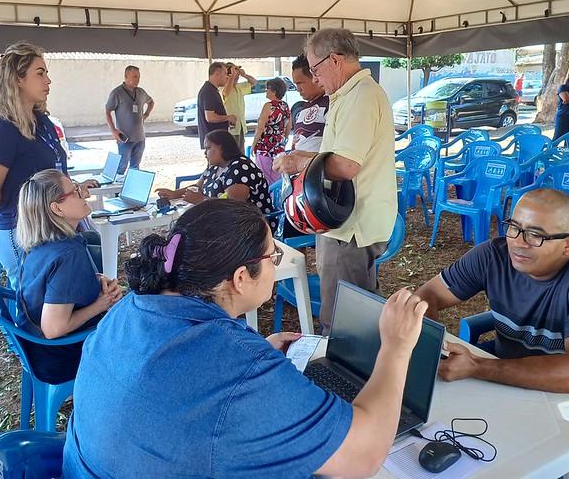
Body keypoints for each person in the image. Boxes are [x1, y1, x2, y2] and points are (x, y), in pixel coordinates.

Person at [63, 198, 427, 478]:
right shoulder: (238, 365)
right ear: (240, 278)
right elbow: (364, 455)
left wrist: (259, 369)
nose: (277, 259)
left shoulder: (129, 310)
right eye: (272, 255)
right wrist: (395, 347)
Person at [414, 188, 569, 426]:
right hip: (509, 372)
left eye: (535, 235)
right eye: (514, 227)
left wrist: (477, 366)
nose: (518, 243)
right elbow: (426, 296)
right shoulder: (493, 256)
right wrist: (431, 346)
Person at [274, 28, 398, 333]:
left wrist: (298, 161)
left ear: (335, 60)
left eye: (316, 69)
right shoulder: (351, 94)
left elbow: (345, 165)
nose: (315, 79)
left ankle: (348, 377)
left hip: (351, 227)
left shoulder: (361, 97)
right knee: (359, 308)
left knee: (343, 321)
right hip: (348, 222)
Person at [0, 41, 98, 288]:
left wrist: (70, 192)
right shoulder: (3, 130)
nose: (48, 81)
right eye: (40, 73)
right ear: (17, 79)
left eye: (47, 73)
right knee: (37, 310)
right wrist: (25, 206)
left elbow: (51, 174)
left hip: (50, 231)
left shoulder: (42, 122)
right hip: (20, 232)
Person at [14, 169, 122, 385]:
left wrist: (95, 279)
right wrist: (103, 303)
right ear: (57, 208)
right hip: (62, 358)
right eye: (75, 191)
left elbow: (51, 284)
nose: (84, 193)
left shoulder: (38, 243)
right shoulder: (68, 254)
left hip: (36, 351)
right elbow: (53, 329)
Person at [156, 129, 274, 220]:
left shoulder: (241, 167)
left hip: (248, 225)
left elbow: (234, 205)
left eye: (208, 148)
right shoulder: (215, 167)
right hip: (220, 221)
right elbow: (197, 187)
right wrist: (175, 193)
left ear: (222, 147)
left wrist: (202, 201)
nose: (205, 153)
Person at [105, 65, 155, 176]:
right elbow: (108, 111)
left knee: (135, 168)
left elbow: (151, 102)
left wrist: (146, 114)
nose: (137, 80)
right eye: (134, 77)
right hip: (124, 138)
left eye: (138, 77)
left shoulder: (141, 92)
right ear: (126, 76)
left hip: (140, 138)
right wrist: (113, 130)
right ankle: (117, 191)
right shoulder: (117, 93)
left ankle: (132, 191)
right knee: (121, 167)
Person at [252, 78, 292, 185]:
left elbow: (260, 128)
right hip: (279, 146)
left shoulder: (268, 106)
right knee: (277, 176)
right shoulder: (285, 106)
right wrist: (282, 139)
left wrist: (254, 144)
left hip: (265, 146)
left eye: (267, 88)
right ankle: (276, 199)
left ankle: (267, 199)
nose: (266, 90)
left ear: (274, 91)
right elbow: (288, 127)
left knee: (263, 177)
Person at [291, 53, 329, 153]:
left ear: (314, 77)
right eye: (295, 84)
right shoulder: (305, 107)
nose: (298, 89)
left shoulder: (331, 104)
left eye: (300, 83)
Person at [196, 61, 237, 147]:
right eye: (225, 73)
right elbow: (210, 117)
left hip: (216, 139)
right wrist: (228, 117)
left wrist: (226, 120)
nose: (227, 77)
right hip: (214, 142)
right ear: (217, 74)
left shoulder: (212, 90)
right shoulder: (208, 91)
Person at [222, 62, 257, 152]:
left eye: (237, 76)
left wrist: (244, 74)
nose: (237, 77)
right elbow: (226, 93)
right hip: (231, 129)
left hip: (240, 127)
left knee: (241, 153)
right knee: (232, 154)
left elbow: (254, 82)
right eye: (234, 74)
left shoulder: (238, 87)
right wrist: (232, 76)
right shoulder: (223, 88)